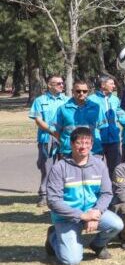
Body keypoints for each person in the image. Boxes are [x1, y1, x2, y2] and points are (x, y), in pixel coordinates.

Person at [44, 127, 123, 265]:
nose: (83, 147)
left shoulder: (99, 165)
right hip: (67, 217)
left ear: (92, 144)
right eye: (79, 143)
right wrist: (82, 216)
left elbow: (106, 193)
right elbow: (53, 201)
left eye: (87, 143)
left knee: (117, 225)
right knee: (71, 261)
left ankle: (98, 244)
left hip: (92, 211)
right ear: (71, 144)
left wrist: (96, 212)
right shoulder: (59, 167)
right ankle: (53, 237)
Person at [29, 75, 67, 206]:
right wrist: (52, 131)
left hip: (63, 139)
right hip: (47, 138)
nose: (62, 85)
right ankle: (44, 195)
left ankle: (61, 194)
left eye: (62, 83)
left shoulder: (67, 100)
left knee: (65, 167)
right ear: (49, 85)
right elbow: (38, 120)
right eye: (58, 83)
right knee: (47, 168)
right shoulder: (40, 100)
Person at [52, 80, 107, 159]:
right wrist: (64, 142)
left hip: (93, 150)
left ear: (88, 92)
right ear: (72, 91)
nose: (81, 93)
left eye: (84, 91)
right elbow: (55, 131)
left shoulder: (96, 107)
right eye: (78, 91)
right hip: (69, 151)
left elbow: (103, 128)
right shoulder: (62, 109)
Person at [88, 75, 125, 174]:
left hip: (114, 139)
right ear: (102, 85)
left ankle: (115, 188)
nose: (114, 86)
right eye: (111, 83)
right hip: (96, 139)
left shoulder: (115, 99)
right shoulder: (90, 100)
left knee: (115, 168)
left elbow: (121, 114)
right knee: (95, 167)